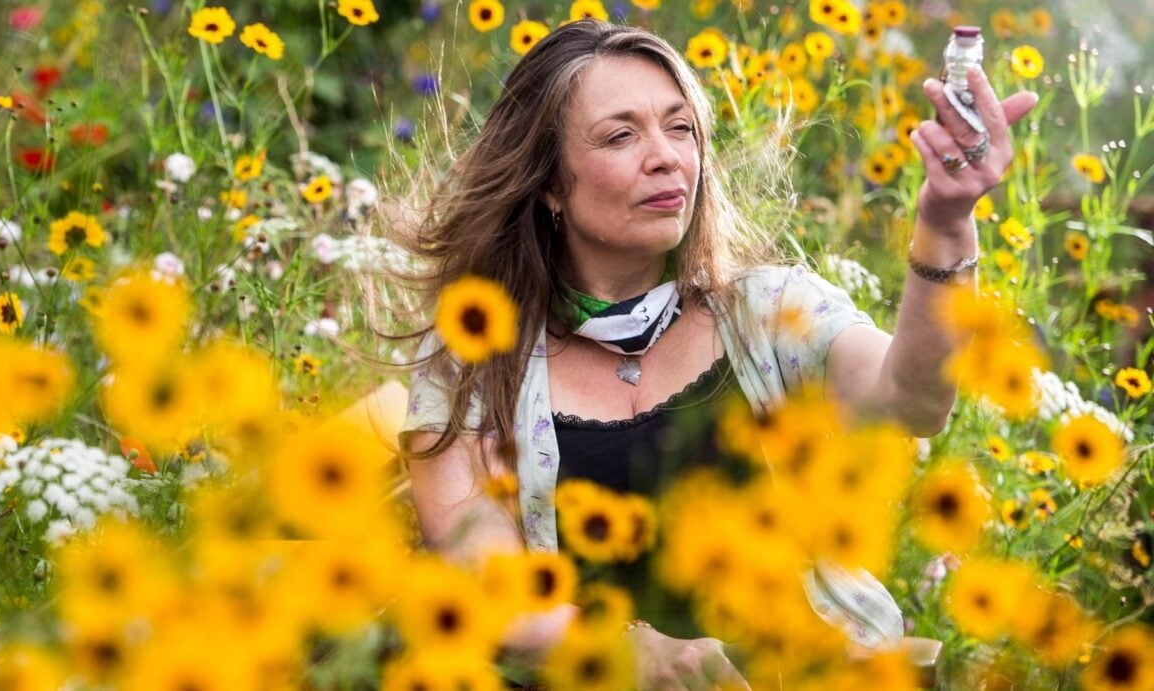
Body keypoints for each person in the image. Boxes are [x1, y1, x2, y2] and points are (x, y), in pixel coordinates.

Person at [397, 19, 1037, 690]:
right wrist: (628, 651)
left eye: (680, 128)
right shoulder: (472, 356)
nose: (667, 156)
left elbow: (914, 398)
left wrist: (944, 220)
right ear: (550, 183)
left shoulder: (768, 313)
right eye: (622, 135)